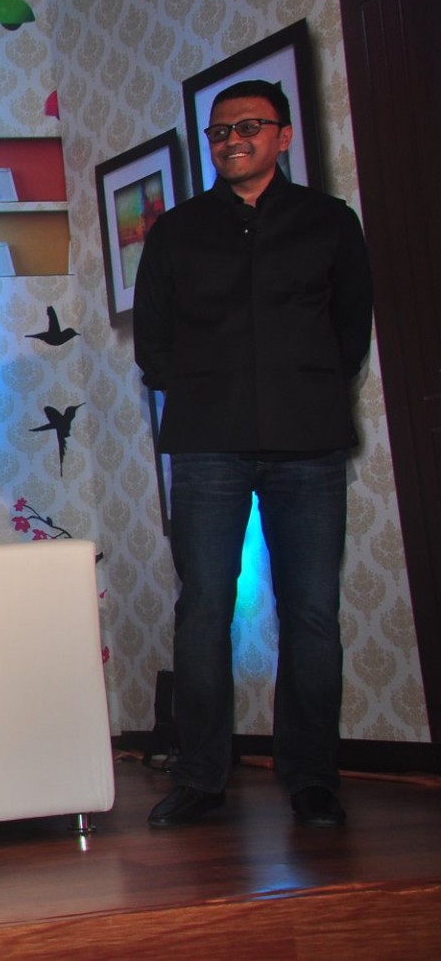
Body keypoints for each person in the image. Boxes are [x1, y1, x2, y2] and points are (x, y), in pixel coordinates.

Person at [133, 79, 373, 830]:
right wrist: (204, 389)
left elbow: (351, 328)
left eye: (248, 127)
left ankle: (312, 778)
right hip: (208, 443)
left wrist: (307, 387)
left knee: (312, 611)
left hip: (309, 443)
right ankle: (202, 777)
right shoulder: (176, 232)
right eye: (219, 131)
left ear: (283, 135)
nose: (232, 140)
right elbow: (153, 341)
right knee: (205, 608)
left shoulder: (329, 222)